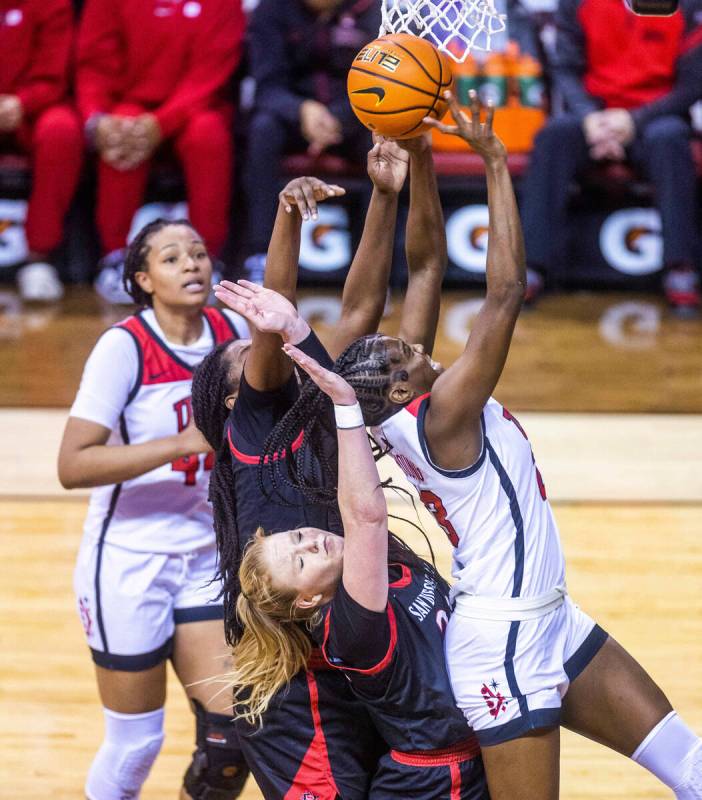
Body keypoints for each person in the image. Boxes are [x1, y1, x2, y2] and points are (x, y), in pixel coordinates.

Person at [255, 92, 702, 800]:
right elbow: (503, 294)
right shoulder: (447, 417)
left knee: (692, 766)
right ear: (401, 392)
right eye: (403, 354)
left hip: (551, 613)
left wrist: (422, 156)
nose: (414, 344)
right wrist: (494, 161)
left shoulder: (412, 404)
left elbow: (426, 266)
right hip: (501, 642)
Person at [191, 133, 448, 798]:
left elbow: (360, 310)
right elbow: (272, 321)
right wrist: (285, 218)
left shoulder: (330, 415)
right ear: (234, 397)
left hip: (356, 648)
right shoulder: (253, 434)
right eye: (240, 362)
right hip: (291, 681)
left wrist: (386, 197)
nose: (249, 356)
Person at [227, 337, 490, 799]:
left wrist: (298, 329)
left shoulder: (377, 566)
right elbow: (366, 514)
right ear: (308, 599)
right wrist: (346, 406)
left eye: (298, 537)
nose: (313, 540)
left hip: (462, 756)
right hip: (433, 778)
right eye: (302, 559)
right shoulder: (349, 624)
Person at [57, 219, 250, 800]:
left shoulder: (231, 330)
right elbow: (73, 466)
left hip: (203, 556)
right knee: (137, 742)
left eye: (198, 252)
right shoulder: (124, 347)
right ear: (143, 279)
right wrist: (181, 444)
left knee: (231, 740)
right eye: (171, 258)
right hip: (128, 561)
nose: (192, 264)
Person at [520, 0, 702, 314]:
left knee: (669, 139)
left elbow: (693, 83)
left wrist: (633, 121)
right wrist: (591, 117)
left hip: (657, 117)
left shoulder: (687, 5)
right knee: (553, 137)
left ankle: (681, 270)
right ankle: (528, 269)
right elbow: (564, 67)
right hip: (595, 116)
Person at [75, 0, 245, 302]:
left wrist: (161, 123)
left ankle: (206, 260)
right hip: (130, 103)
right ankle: (115, 259)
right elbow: (94, 62)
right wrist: (97, 117)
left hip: (198, 106)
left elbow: (211, 72)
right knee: (120, 133)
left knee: (208, 136)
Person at [242, 0, 380, 281]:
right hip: (290, 115)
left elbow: (381, 83)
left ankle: (373, 265)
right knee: (261, 131)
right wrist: (301, 110)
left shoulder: (373, 10)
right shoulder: (270, 10)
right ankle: (260, 255)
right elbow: (266, 87)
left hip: (353, 114)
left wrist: (338, 118)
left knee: (381, 145)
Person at [0, 0, 83, 301]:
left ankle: (38, 259)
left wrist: (22, 103)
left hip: (33, 110)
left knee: (61, 131)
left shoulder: (52, 4)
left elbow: (54, 72)